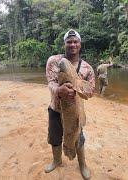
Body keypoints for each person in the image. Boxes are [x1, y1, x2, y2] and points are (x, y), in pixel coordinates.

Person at [45, 29, 95, 179]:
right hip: (56, 108)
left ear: (80, 44)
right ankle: (56, 160)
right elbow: (51, 82)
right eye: (69, 42)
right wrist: (59, 90)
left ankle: (82, 165)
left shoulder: (87, 68)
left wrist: (78, 87)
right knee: (54, 137)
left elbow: (91, 91)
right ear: (64, 44)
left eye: (75, 41)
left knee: (78, 137)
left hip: (75, 111)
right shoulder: (54, 61)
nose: (72, 44)